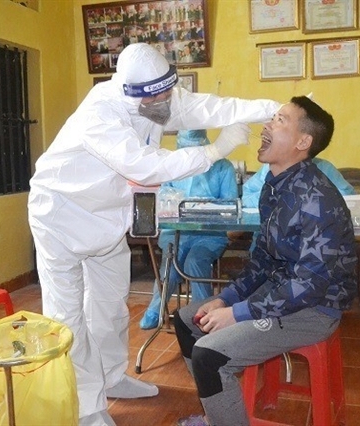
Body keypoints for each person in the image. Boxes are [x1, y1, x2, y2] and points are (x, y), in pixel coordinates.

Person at [27, 43, 280, 426]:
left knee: (111, 306)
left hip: (106, 215)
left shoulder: (156, 96)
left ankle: (112, 378)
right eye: (158, 95)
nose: (167, 99)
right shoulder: (101, 115)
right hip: (60, 215)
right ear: (134, 95)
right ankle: (85, 409)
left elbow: (209, 106)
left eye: (168, 89)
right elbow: (145, 166)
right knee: (68, 319)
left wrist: (270, 108)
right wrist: (215, 151)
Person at [173, 96, 357, 426]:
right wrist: (225, 299)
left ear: (303, 142)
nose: (266, 125)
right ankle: (219, 411)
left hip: (314, 309)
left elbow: (308, 286)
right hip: (281, 293)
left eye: (280, 120)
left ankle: (221, 403)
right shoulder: (274, 187)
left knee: (209, 356)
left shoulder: (317, 199)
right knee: (189, 319)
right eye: (271, 118)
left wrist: (238, 313)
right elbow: (262, 260)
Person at [140, 129, 238, 330]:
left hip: (210, 234)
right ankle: (156, 310)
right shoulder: (174, 166)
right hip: (176, 231)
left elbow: (231, 206)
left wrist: (205, 206)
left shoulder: (222, 167)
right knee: (170, 263)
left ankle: (202, 313)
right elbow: (164, 196)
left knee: (195, 261)